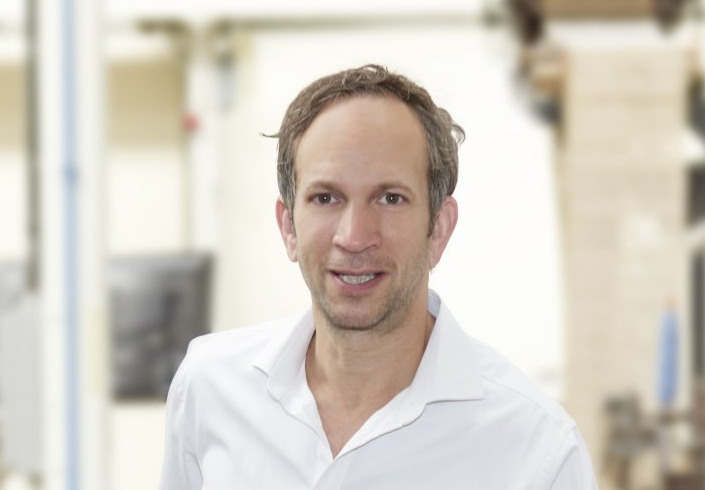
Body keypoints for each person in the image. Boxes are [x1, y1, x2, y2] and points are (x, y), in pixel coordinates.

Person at [158, 64, 598, 489]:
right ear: (288, 226)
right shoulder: (209, 388)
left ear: (438, 229)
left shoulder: (538, 451)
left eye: (390, 198)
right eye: (326, 197)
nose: (354, 237)